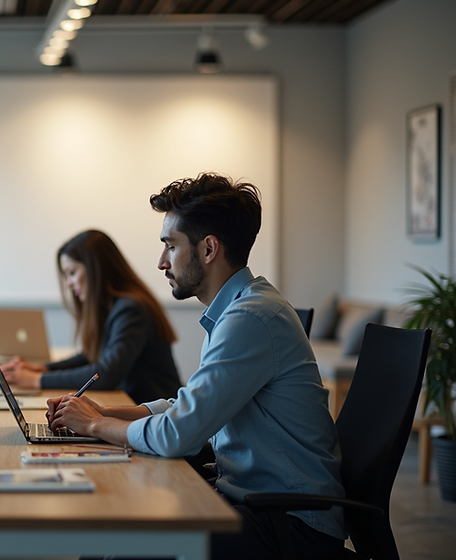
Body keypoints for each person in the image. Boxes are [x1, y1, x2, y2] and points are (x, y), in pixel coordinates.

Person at [47, 174, 346, 560]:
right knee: (113, 527)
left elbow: (179, 435)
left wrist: (92, 426)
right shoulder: (236, 311)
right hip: (255, 504)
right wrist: (101, 411)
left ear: (208, 249)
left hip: (291, 526)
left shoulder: (250, 319)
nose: (160, 262)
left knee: (117, 539)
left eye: (170, 246)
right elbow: (184, 407)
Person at [1, 230, 181, 404]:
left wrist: (37, 379)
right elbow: (91, 357)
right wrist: (44, 368)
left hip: (160, 418)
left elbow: (106, 373)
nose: (69, 284)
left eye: (72, 273)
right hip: (138, 410)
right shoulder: (114, 306)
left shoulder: (131, 309)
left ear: (96, 270)